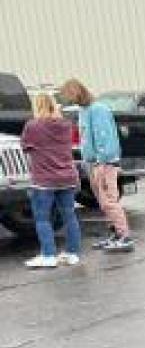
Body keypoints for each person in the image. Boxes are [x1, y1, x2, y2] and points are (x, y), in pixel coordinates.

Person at [60, 78, 135, 252]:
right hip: (92, 163)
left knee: (109, 200)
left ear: (77, 92)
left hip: (104, 163)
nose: (69, 101)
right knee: (102, 202)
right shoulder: (84, 110)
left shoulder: (98, 110)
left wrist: (103, 161)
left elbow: (104, 137)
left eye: (69, 96)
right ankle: (116, 233)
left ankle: (125, 236)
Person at [20, 93, 82, 269]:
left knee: (42, 218)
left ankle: (48, 255)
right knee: (69, 216)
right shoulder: (66, 125)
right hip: (67, 177)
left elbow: (25, 147)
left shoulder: (33, 126)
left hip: (44, 180)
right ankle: (72, 253)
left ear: (37, 106)